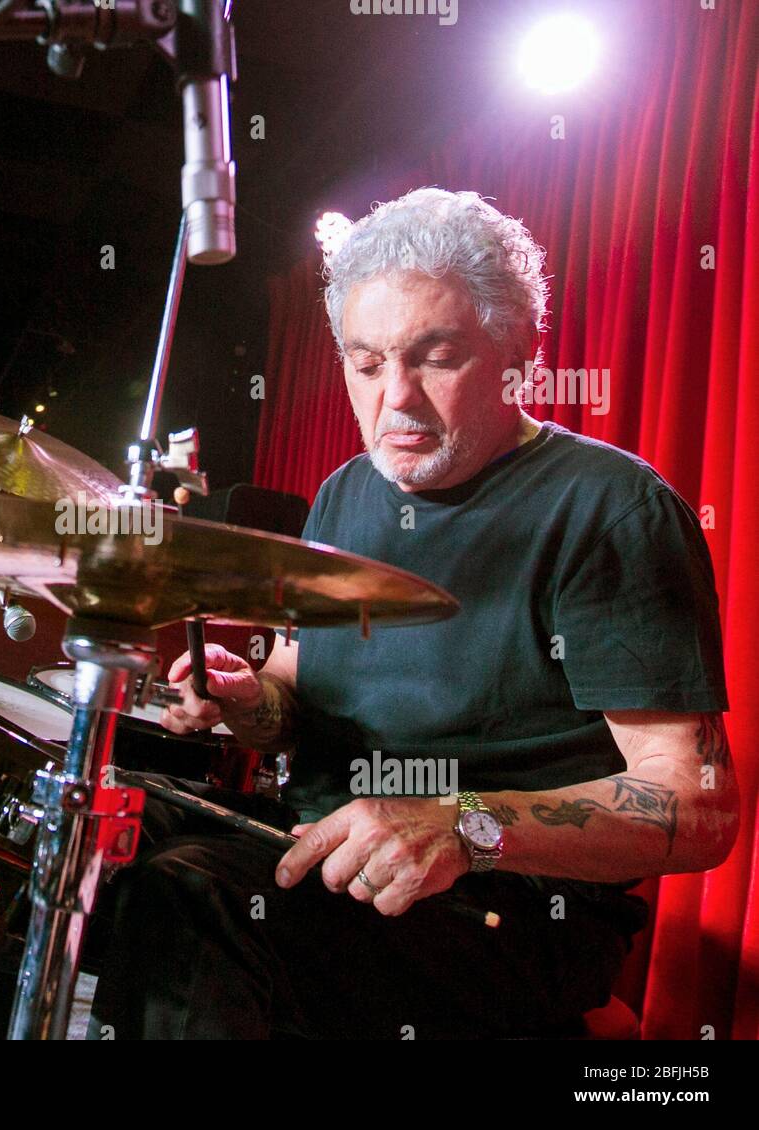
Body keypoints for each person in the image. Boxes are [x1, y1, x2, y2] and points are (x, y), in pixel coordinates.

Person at [84, 187, 739, 1039]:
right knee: (97, 818)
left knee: (188, 894)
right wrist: (251, 701)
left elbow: (699, 805)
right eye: (365, 365)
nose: (396, 400)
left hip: (507, 905)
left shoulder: (611, 509)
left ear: (518, 353)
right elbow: (307, 690)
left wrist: (461, 826)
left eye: (435, 357)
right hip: (327, 849)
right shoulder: (346, 494)